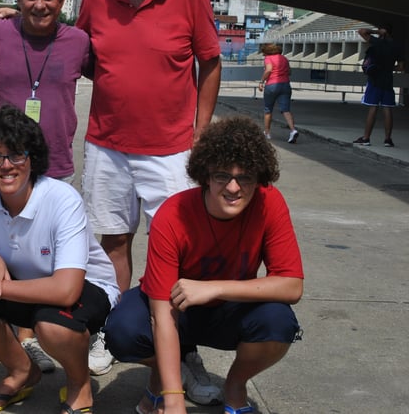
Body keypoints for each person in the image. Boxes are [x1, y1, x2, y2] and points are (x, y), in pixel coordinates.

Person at [0, 0, 222, 398]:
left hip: (171, 148)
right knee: (111, 245)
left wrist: (200, 130)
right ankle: (112, 332)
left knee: (175, 250)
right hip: (108, 145)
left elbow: (210, 61)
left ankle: (183, 348)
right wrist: (15, 16)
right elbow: (74, 43)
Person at [103, 116, 304, 414]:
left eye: (245, 177)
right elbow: (161, 314)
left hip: (229, 308)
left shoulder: (270, 203)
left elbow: (292, 285)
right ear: (205, 175)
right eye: (222, 176)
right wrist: (174, 401)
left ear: (259, 177)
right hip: (175, 306)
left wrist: (214, 288)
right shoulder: (173, 214)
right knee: (123, 330)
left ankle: (235, 384)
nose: (233, 187)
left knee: (279, 322)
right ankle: (163, 377)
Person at [0, 105, 119, 414]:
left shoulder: (60, 198)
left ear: (32, 158)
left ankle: (80, 386)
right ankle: (22, 371)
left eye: (17, 155)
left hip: (86, 287)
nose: (6, 166)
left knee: (51, 326)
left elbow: (66, 290)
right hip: (25, 284)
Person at [0, 0, 91, 375]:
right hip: (1, 165)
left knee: (40, 260)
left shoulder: (79, 41)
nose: (39, 5)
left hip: (54, 164)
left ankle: (28, 336)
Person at [353, 25, 405, 147]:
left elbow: (361, 31)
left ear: (383, 31)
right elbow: (401, 67)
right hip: (388, 81)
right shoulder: (398, 46)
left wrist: (376, 31)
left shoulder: (377, 42)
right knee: (387, 109)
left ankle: (366, 138)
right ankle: (388, 139)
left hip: (374, 80)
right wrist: (389, 68)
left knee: (373, 108)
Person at [258, 42, 298, 143]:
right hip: (285, 85)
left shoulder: (268, 58)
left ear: (267, 51)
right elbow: (289, 72)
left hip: (272, 85)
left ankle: (267, 133)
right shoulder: (284, 58)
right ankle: (293, 130)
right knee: (286, 110)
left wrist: (261, 81)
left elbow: (268, 70)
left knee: (268, 109)